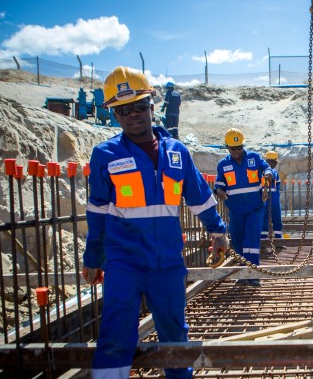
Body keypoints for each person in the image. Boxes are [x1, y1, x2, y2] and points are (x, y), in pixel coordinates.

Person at [82, 67, 228, 379]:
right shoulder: (105, 155)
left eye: (138, 106)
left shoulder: (177, 152)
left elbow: (199, 196)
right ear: (114, 115)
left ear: (152, 105)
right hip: (124, 262)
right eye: (123, 110)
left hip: (167, 262)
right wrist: (93, 258)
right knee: (115, 335)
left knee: (175, 336)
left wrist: (217, 231)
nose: (132, 115)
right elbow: (97, 212)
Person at [215, 128, 274, 287]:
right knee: (239, 241)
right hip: (236, 210)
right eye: (233, 148)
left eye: (239, 147)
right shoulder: (223, 164)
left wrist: (268, 174)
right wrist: (220, 192)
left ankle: (253, 274)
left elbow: (267, 168)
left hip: (255, 208)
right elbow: (219, 184)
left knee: (252, 241)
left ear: (243, 145)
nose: (236, 151)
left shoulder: (254, 158)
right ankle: (242, 273)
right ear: (227, 147)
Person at [261, 150, 284, 240]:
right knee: (271, 217)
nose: (275, 164)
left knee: (268, 217)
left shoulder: (270, 172)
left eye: (275, 162)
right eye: (274, 162)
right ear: (268, 161)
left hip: (269, 199)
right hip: (270, 199)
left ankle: (267, 237)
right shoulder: (270, 172)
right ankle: (274, 237)